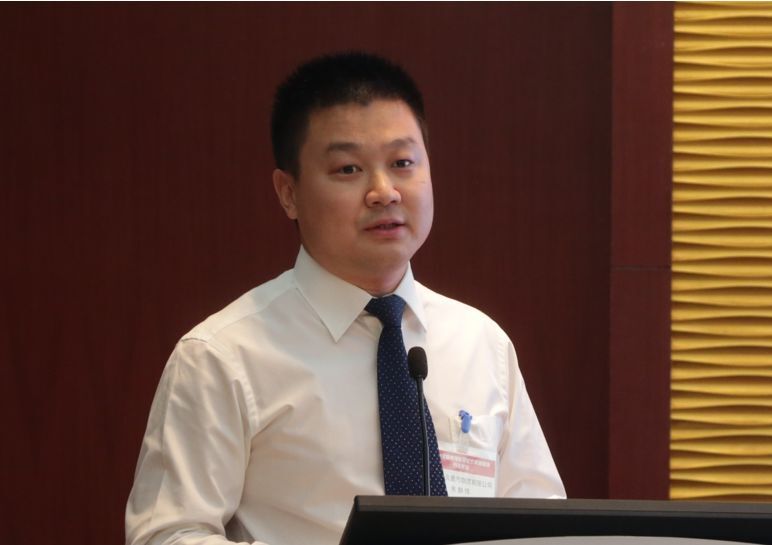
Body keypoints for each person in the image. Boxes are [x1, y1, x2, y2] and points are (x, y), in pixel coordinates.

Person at [125, 51, 565, 545]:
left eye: (402, 163)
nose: (384, 192)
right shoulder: (222, 357)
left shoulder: (481, 344)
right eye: (348, 169)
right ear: (288, 193)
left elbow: (543, 524)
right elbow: (168, 534)